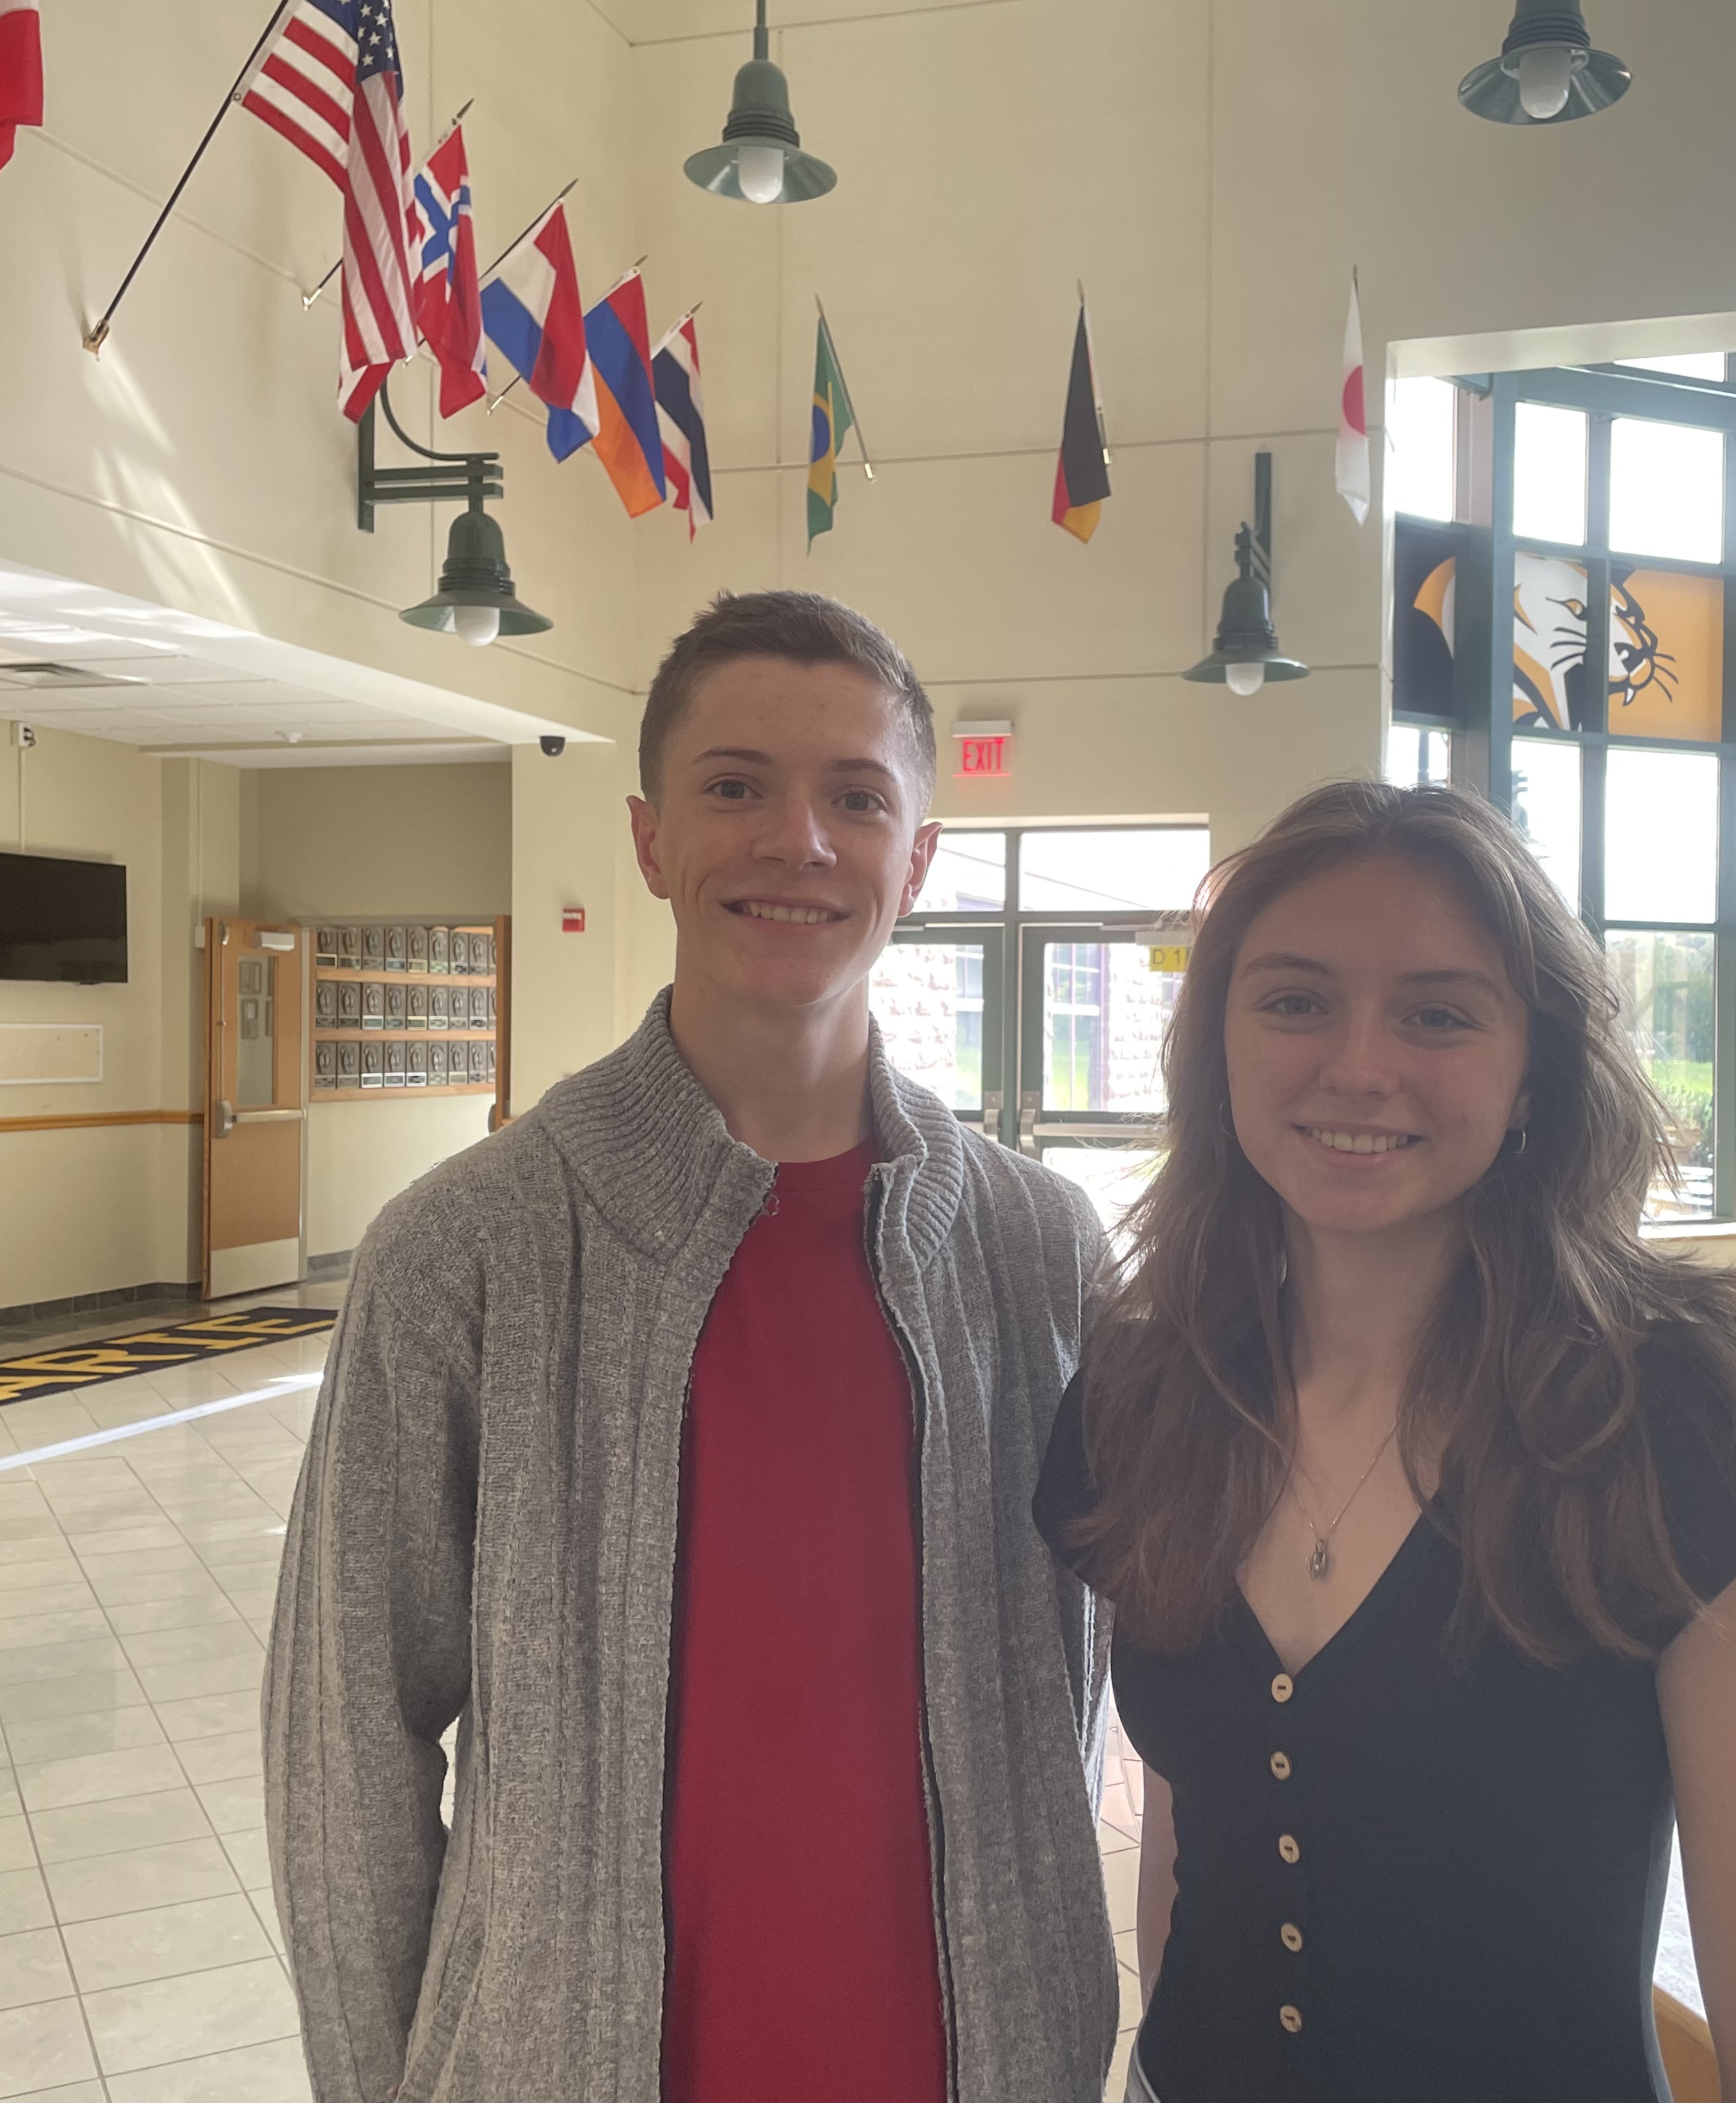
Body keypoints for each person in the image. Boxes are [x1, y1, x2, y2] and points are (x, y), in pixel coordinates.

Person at [268, 590, 1121, 2103]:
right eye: (736, 786)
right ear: (653, 837)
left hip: (974, 2056)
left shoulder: (1035, 1248)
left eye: (856, 798)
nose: (798, 841)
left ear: (916, 860)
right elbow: (347, 1743)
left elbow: (1074, 1678)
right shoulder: (468, 1248)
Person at [1037, 780, 1736, 2103]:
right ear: (1218, 1047)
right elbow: (1193, 1834)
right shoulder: (1148, 1391)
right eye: (1297, 999)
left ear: (1534, 1063)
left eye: (1436, 1013)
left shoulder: (1669, 1413)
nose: (1360, 1066)